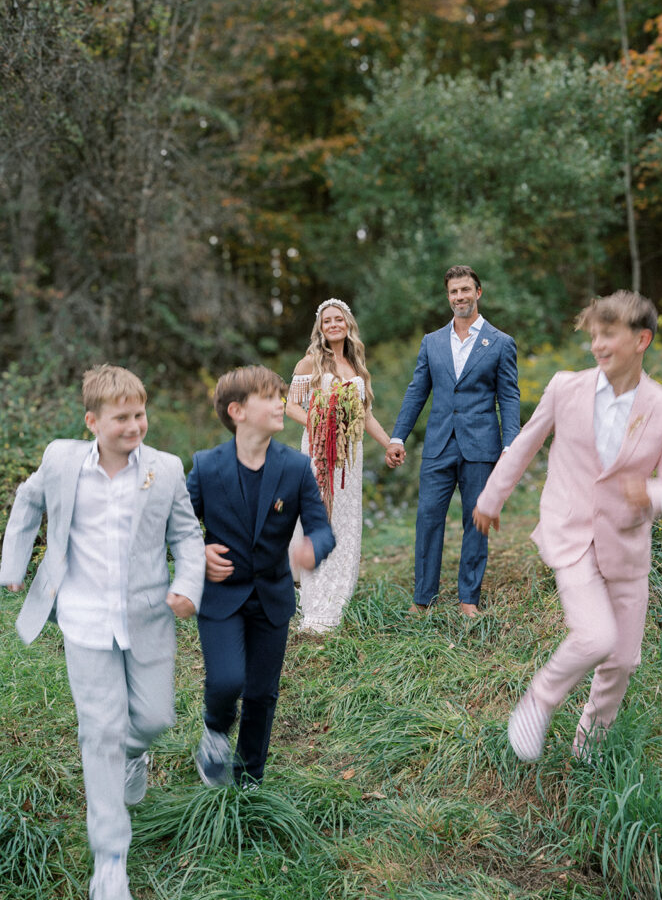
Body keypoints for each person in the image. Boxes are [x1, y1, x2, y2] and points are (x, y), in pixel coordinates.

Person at [0, 364, 205, 900]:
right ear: (92, 421)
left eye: (140, 414)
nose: (134, 425)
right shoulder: (61, 461)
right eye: (121, 418)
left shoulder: (165, 468)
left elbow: (186, 535)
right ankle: (110, 861)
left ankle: (136, 751)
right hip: (85, 619)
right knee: (99, 733)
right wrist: (13, 566)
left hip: (149, 616)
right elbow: (27, 501)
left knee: (156, 716)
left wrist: (188, 584)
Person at [473, 291, 662, 762]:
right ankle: (539, 700)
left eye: (609, 335)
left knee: (623, 660)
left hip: (627, 544)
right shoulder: (565, 387)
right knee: (595, 635)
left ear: (642, 339)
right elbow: (526, 442)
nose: (597, 345)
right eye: (594, 335)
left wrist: (651, 495)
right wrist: (490, 497)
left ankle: (590, 743)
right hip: (570, 534)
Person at [187, 365, 335, 788]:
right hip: (220, 597)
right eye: (270, 397)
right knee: (227, 679)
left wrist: (312, 548)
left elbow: (322, 529)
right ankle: (215, 730)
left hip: (272, 598)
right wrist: (197, 552)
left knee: (261, 694)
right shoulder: (206, 466)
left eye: (280, 395)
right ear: (237, 411)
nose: (280, 404)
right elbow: (172, 524)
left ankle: (249, 778)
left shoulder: (295, 467)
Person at [386, 265, 520, 617]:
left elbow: (508, 397)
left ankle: (468, 599)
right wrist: (398, 435)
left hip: (482, 445)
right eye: (453, 292)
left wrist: (511, 444)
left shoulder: (501, 342)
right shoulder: (431, 342)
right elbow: (417, 392)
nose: (459, 297)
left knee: (476, 520)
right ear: (448, 297)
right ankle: (423, 598)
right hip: (438, 444)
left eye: (465, 290)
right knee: (428, 519)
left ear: (478, 292)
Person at [286, 298, 396, 633]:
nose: (333, 325)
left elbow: (365, 415)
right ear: (320, 327)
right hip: (320, 451)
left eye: (339, 319)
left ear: (347, 323)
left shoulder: (356, 364)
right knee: (320, 518)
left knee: (346, 522)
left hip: (351, 455)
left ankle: (340, 599)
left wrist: (389, 443)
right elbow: (289, 405)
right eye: (327, 321)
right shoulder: (310, 363)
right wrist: (319, 425)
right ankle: (316, 603)